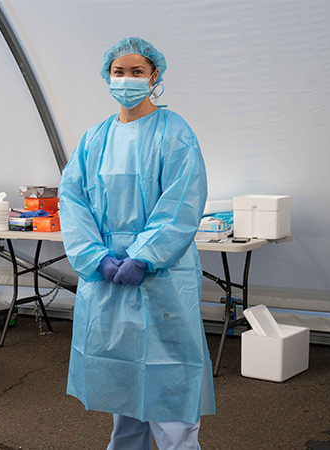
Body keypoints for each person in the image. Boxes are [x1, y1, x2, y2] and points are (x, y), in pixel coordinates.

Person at [58, 37, 216, 449]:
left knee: (171, 395)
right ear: (106, 77)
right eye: (119, 72)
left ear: (154, 77)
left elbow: (182, 201)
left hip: (162, 279)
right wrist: (96, 256)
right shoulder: (95, 138)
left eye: (137, 72)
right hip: (107, 277)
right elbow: (72, 200)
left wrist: (145, 256)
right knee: (124, 389)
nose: (126, 80)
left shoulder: (174, 132)